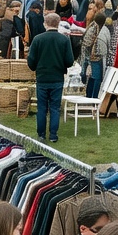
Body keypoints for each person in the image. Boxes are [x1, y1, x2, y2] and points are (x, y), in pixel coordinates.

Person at [28, 12, 75, 142]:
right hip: (57, 78)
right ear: (58, 23)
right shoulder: (64, 39)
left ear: (45, 23)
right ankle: (53, 135)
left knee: (42, 107)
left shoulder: (38, 39)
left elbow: (31, 59)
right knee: (55, 107)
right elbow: (69, 60)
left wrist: (35, 68)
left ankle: (41, 134)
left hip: (42, 77)